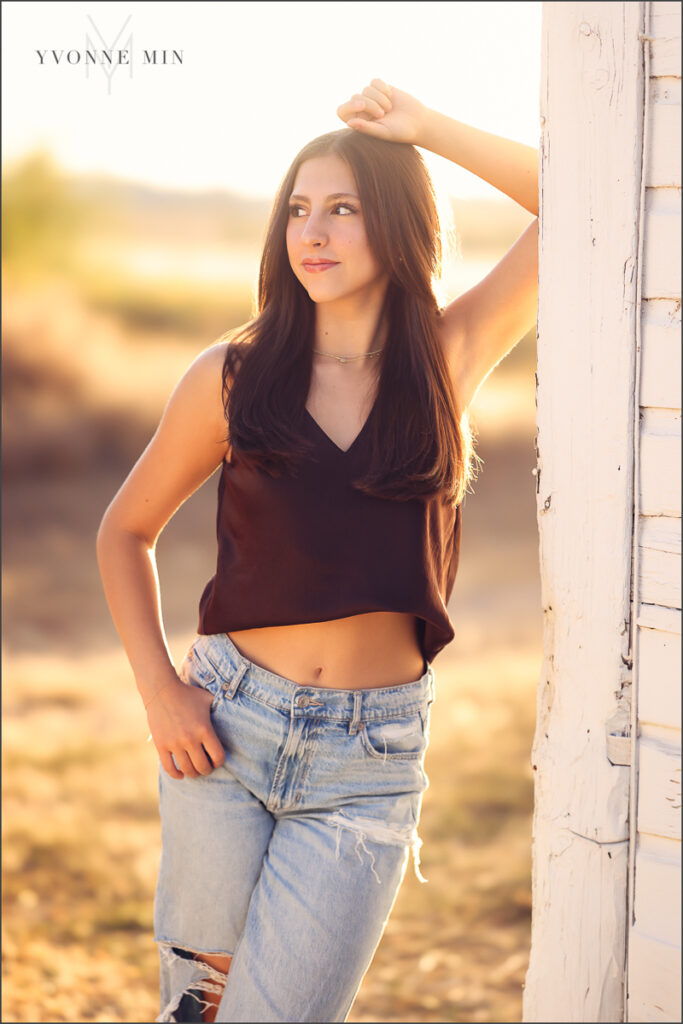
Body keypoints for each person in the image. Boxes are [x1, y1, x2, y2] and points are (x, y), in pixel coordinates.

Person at [96, 78, 538, 1023]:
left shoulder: (445, 361)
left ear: (395, 221)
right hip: (227, 733)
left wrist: (425, 129)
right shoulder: (231, 376)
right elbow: (123, 531)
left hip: (368, 758)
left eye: (342, 207)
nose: (314, 231)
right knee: (199, 1012)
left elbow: (579, 203)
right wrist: (161, 693)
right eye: (298, 209)